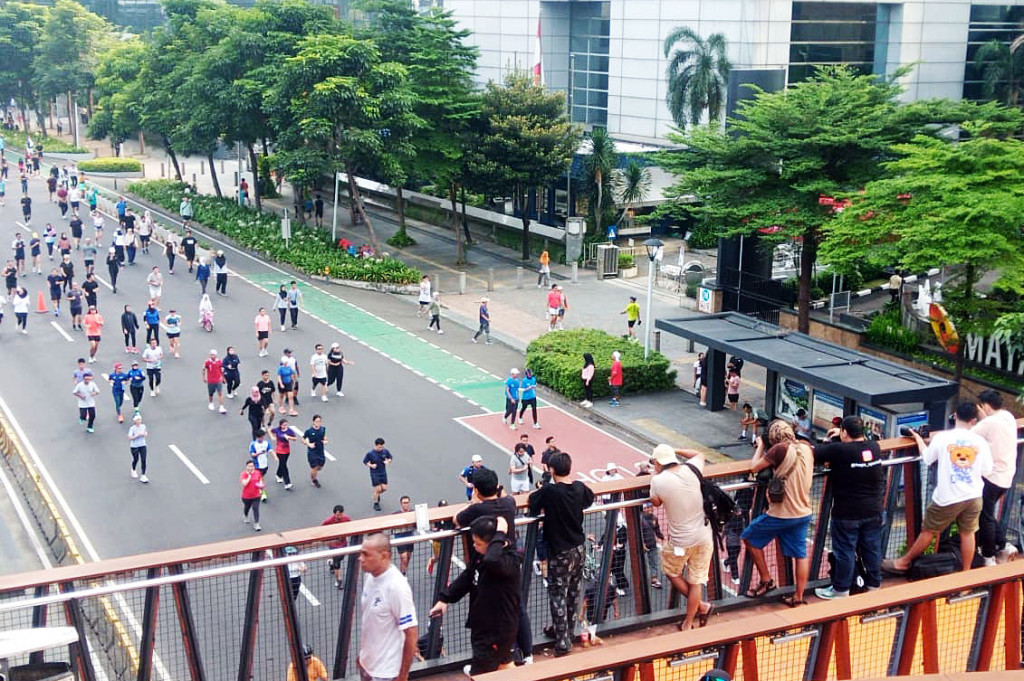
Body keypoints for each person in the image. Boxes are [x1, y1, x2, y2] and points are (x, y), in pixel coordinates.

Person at [883, 402, 994, 576]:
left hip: (948, 496)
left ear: (955, 415)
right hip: (973, 495)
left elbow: (927, 458)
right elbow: (987, 471)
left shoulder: (942, 438)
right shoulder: (981, 442)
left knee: (929, 531)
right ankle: (965, 574)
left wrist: (919, 440)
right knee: (968, 533)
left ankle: (903, 562)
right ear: (974, 420)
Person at [430, 515, 521, 675]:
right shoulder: (482, 555)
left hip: (496, 631)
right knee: (502, 665)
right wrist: (445, 599)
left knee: (483, 672)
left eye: (478, 543)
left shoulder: (508, 562)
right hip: (483, 624)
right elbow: (468, 576)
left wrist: (500, 533)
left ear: (494, 543)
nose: (474, 546)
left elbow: (492, 561)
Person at [528, 451, 594, 657]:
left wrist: (543, 488)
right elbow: (589, 500)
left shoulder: (550, 491)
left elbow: (533, 502)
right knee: (574, 592)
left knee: (557, 594)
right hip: (579, 547)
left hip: (560, 551)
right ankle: (568, 634)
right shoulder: (579, 487)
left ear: (551, 469)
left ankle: (563, 641)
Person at [741, 420, 815, 606]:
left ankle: (766, 580)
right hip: (803, 512)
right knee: (801, 555)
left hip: (782, 513)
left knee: (749, 537)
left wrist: (761, 447)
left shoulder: (779, 450)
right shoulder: (807, 447)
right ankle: (798, 597)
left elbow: (754, 467)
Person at [813, 416, 885, 599]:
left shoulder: (839, 450)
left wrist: (831, 439)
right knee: (872, 549)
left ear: (844, 432)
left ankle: (841, 590)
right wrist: (842, 434)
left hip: (847, 513)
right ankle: (874, 585)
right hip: (874, 510)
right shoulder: (874, 447)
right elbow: (861, 445)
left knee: (844, 551)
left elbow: (815, 453)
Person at [357, 533, 418, 681]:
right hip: (368, 667)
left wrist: (403, 675)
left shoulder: (397, 587)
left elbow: (411, 632)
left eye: (366, 554)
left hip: (385, 674)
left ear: (384, 556)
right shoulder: (370, 576)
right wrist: (363, 658)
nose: (360, 558)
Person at [974, 390, 1020, 565]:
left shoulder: (989, 422)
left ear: (985, 406)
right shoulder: (1008, 416)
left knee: (984, 516)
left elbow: (968, 436)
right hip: (1007, 476)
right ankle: (1004, 545)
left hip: (991, 477)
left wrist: (980, 417)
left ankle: (988, 556)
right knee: (988, 513)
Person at [321, 505, 352, 588]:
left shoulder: (346, 519)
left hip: (343, 543)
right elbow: (321, 530)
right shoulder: (328, 521)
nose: (339, 516)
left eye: (341, 514)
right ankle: (339, 580)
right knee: (337, 562)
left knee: (340, 558)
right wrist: (327, 540)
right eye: (338, 515)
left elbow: (351, 526)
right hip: (333, 545)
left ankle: (331, 563)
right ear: (334, 513)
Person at [364, 438, 393, 511]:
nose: (381, 448)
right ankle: (376, 503)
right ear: (376, 446)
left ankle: (376, 494)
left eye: (382, 447)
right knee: (378, 489)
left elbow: (390, 458)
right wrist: (371, 465)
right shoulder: (370, 453)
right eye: (380, 447)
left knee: (384, 488)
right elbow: (365, 461)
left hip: (383, 472)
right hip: (375, 473)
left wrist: (388, 461)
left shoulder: (385, 451)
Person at [640, 503, 664, 589]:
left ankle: (654, 580)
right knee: (639, 563)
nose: (649, 509)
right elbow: (638, 533)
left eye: (650, 507)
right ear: (643, 509)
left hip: (652, 544)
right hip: (642, 546)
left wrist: (662, 537)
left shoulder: (654, 518)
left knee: (654, 563)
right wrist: (642, 543)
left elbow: (657, 530)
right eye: (647, 507)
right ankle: (640, 581)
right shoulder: (640, 519)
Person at [392, 496, 416, 575]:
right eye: (404, 503)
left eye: (407, 503)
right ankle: (403, 575)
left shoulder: (413, 513)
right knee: (404, 557)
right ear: (401, 504)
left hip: (409, 536)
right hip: (400, 537)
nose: (406, 505)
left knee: (408, 557)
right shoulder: (395, 514)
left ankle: (403, 570)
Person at [303, 415, 328, 488]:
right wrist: (309, 444)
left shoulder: (323, 429)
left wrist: (325, 441)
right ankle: (314, 480)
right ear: (313, 422)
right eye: (317, 421)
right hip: (312, 452)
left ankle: (314, 473)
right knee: (315, 467)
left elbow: (324, 437)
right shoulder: (309, 431)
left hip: (320, 451)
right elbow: (303, 439)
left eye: (320, 421)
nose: (318, 423)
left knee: (320, 467)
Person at [240, 460, 264, 532]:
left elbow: (260, 481)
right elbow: (244, 483)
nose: (251, 468)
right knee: (247, 507)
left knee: (255, 508)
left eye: (252, 466)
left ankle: (256, 523)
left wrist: (261, 485)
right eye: (249, 466)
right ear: (246, 467)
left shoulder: (257, 473)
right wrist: (249, 476)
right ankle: (245, 515)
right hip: (246, 496)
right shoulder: (243, 474)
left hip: (256, 495)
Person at [249, 429, 272, 501]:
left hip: (264, 464)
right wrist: (259, 453)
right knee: (260, 479)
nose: (261, 439)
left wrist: (275, 456)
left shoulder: (266, 443)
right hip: (257, 465)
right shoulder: (253, 444)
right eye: (260, 437)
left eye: (262, 437)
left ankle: (258, 489)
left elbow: (270, 450)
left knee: (261, 479)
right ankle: (263, 494)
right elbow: (252, 455)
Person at [127, 413, 149, 483]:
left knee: (143, 459)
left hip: (142, 445)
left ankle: (143, 475)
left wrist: (144, 434)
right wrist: (137, 435)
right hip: (134, 446)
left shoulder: (143, 426)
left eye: (140, 419)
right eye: (137, 420)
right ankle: (133, 469)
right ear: (135, 421)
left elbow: (146, 433)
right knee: (136, 459)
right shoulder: (132, 428)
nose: (139, 421)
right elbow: (130, 437)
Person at [203, 349, 227, 413]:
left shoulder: (219, 361)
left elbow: (221, 370)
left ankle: (221, 406)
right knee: (211, 393)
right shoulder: (207, 362)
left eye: (213, 355)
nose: (212, 356)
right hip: (211, 380)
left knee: (220, 393)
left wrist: (223, 378)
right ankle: (211, 403)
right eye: (211, 355)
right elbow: (204, 369)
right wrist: (204, 377)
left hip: (218, 380)